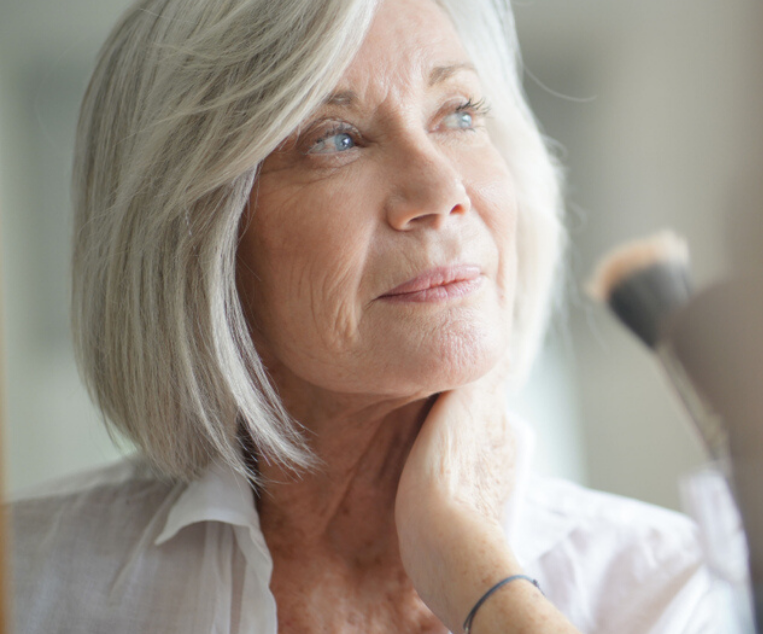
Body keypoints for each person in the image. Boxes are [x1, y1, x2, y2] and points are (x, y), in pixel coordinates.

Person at [8, 0, 714, 632]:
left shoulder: (669, 587)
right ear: (199, 246)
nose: (441, 189)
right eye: (335, 139)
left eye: (460, 113)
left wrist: (477, 574)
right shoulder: (31, 582)